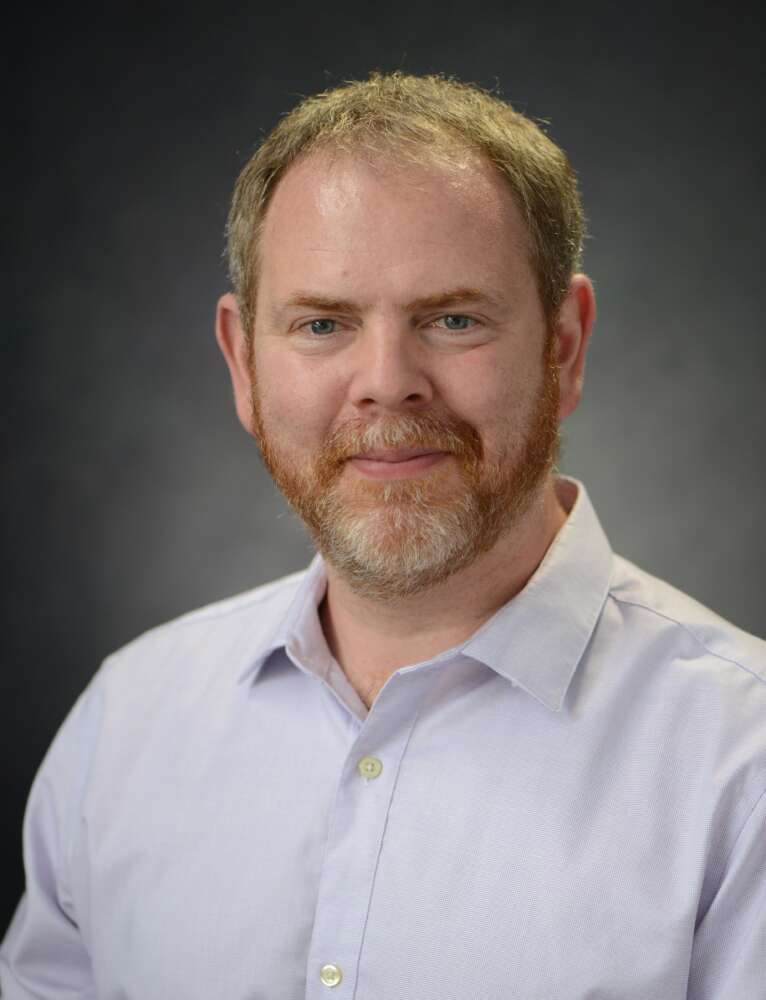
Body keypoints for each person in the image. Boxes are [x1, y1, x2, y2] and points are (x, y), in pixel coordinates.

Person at [1, 72, 764, 1000]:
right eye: (322, 323)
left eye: (452, 319)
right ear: (243, 362)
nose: (387, 383)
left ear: (563, 346)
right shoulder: (126, 723)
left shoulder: (741, 764)